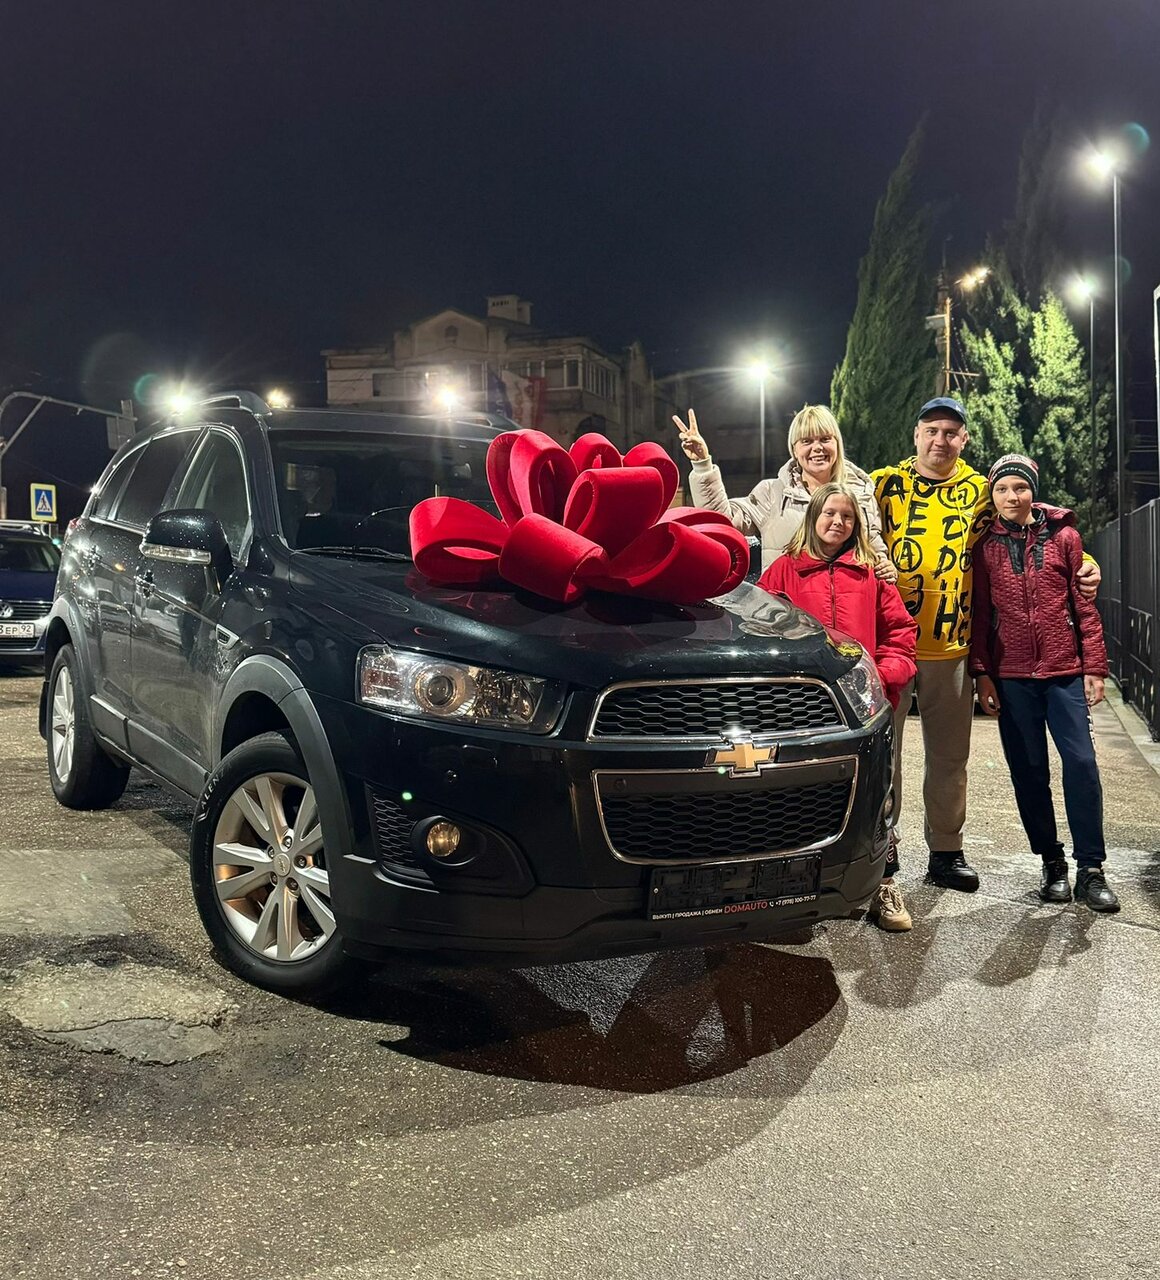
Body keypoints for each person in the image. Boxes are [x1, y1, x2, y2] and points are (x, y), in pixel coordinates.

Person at [870, 397, 1101, 892]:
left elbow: (1032, 516)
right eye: (932, 430)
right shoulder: (883, 483)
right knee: (883, 758)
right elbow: (835, 510)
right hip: (890, 644)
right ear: (916, 435)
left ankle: (945, 852)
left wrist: (1087, 562)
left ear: (964, 439)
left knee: (950, 760)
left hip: (952, 648)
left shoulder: (980, 489)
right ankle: (880, 851)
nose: (940, 440)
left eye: (951, 432)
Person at [759, 483, 918, 930]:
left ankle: (885, 883)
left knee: (877, 797)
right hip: (799, 713)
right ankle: (787, 891)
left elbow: (900, 633)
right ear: (813, 516)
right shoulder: (783, 571)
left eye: (847, 516)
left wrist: (881, 678)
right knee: (793, 796)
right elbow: (759, 631)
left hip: (861, 712)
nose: (838, 522)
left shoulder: (870, 574)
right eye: (830, 513)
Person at [970, 455, 1119, 912]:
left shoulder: (1065, 537)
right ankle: (1052, 862)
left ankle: (1090, 868)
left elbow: (1084, 606)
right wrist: (982, 673)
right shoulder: (984, 546)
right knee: (1029, 771)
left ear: (1033, 490)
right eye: (1001, 489)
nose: (1011, 496)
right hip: (1012, 677)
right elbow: (980, 614)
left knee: (1082, 764)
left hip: (1064, 672)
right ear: (992, 495)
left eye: (1019, 487)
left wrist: (1094, 667)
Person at [674, 403, 894, 576]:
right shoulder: (772, 493)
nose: (817, 448)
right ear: (794, 450)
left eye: (825, 439)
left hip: (847, 617)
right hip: (785, 617)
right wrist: (703, 465)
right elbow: (722, 520)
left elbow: (873, 547)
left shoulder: (860, 493)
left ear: (837, 444)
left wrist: (884, 565)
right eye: (806, 441)